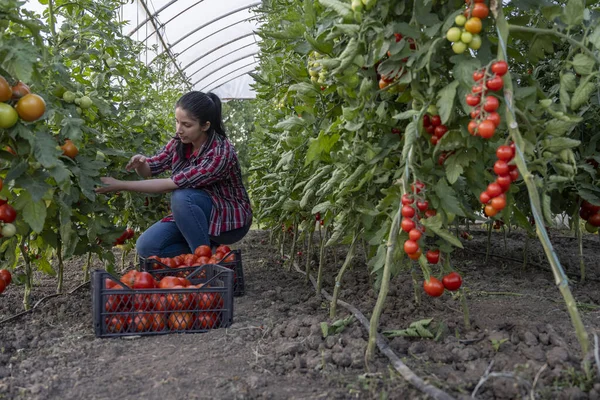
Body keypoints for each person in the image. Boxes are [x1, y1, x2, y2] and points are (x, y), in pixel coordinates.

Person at [95, 91, 253, 258]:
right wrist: (141, 164)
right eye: (177, 122)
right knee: (147, 247)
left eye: (186, 125)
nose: (179, 130)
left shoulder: (221, 153)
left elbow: (172, 184)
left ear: (205, 126)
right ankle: (211, 251)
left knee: (181, 196)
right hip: (193, 214)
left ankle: (204, 263)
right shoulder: (179, 143)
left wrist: (119, 184)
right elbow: (150, 169)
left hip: (229, 220)